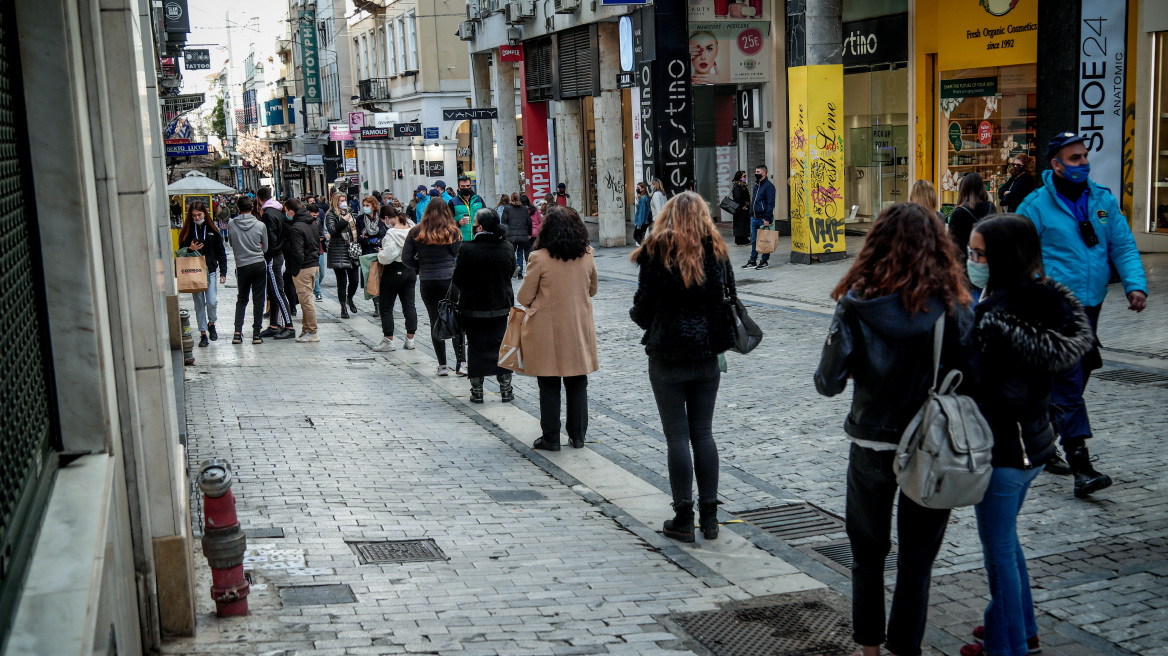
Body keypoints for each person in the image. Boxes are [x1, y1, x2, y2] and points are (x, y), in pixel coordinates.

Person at [814, 202, 975, 656]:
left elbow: (827, 383)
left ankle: (868, 649)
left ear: (876, 243)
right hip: (931, 445)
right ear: (936, 246)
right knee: (917, 561)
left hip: (870, 444)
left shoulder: (856, 303)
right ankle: (907, 649)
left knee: (867, 556)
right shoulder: (954, 305)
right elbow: (975, 379)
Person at [961, 216, 1095, 656]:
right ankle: (1020, 629)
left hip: (1004, 452)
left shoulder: (998, 316)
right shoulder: (1043, 300)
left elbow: (990, 391)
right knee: (1008, 544)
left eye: (978, 254)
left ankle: (1010, 645)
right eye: (970, 253)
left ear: (1004, 258)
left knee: (998, 555)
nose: (971, 261)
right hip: (1035, 445)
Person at [1016, 131, 1148, 497]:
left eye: (1085, 156)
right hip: (1053, 306)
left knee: (1085, 367)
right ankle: (1082, 469)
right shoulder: (1035, 206)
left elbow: (1122, 247)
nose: (1083, 164)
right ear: (1055, 164)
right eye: (1074, 158)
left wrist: (1136, 285)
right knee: (1070, 381)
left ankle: (1040, 436)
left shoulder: (1102, 201)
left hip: (1092, 304)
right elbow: (1017, 257)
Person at [630, 191, 737, 544]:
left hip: (667, 355)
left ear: (667, 215)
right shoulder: (717, 250)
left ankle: (683, 516)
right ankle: (710, 518)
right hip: (706, 354)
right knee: (703, 434)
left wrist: (647, 318)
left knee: (677, 437)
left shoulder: (656, 250)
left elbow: (642, 308)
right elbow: (727, 302)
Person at [519, 206, 599, 450]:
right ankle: (578, 436)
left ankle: (551, 437)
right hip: (578, 328)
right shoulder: (587, 254)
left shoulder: (539, 258)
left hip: (547, 331)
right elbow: (593, 289)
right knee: (577, 382)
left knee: (549, 384)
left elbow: (524, 297)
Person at [451, 209, 516, 402]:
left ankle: (477, 391)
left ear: (479, 226)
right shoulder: (506, 247)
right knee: (500, 345)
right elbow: (510, 272)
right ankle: (506, 388)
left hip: (473, 307)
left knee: (476, 346)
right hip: (500, 304)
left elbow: (458, 278)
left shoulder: (467, 249)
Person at [403, 199, 467, 376]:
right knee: (455, 319)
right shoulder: (453, 230)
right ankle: (461, 363)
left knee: (435, 320)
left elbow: (406, 258)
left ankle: (443, 365)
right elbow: (458, 255)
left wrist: (421, 265)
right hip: (449, 280)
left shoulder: (415, 231)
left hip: (428, 280)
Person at [178, 201, 227, 347]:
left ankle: (211, 322)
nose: (197, 217)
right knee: (199, 304)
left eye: (199, 214)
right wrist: (190, 248)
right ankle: (203, 333)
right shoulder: (188, 231)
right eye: (194, 216)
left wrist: (223, 271)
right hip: (194, 272)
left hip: (210, 270)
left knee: (212, 301)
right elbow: (181, 251)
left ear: (205, 213)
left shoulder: (213, 229)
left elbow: (221, 251)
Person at [373, 206, 418, 352]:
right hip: (410, 269)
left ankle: (389, 340)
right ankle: (410, 339)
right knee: (409, 305)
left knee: (386, 306)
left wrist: (380, 254)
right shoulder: (412, 226)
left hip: (394, 269)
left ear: (387, 218)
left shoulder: (392, 234)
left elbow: (387, 256)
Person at [227, 196, 268, 345]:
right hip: (257, 263)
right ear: (252, 208)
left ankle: (237, 332)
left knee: (242, 298)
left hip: (242, 265)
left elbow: (231, 243)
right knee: (258, 299)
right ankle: (256, 333)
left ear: (238, 208)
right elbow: (266, 247)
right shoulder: (260, 225)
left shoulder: (231, 224)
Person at [257, 186, 295, 340]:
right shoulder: (278, 211)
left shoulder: (268, 214)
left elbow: (271, 239)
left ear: (259, 199)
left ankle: (289, 325)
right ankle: (274, 324)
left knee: (278, 291)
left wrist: (268, 252)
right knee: (273, 291)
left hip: (273, 256)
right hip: (279, 254)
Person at [283, 198, 321, 343]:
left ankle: (312, 331)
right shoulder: (311, 222)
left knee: (306, 300)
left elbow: (298, 252)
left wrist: (295, 269)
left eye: (287, 211)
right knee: (306, 299)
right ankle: (306, 329)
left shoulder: (296, 228)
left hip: (303, 267)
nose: (286, 214)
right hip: (313, 264)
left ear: (292, 211)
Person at [948, 173, 996, 268]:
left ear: (962, 189)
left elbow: (954, 246)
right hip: (990, 262)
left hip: (967, 265)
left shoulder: (959, 213)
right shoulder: (991, 208)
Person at [326, 192, 360, 318]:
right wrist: (343, 221)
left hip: (352, 250)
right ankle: (343, 307)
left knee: (355, 280)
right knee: (342, 282)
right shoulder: (331, 215)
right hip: (338, 251)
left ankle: (349, 297)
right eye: (341, 200)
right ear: (335, 202)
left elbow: (355, 229)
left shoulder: (350, 213)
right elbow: (332, 230)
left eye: (344, 199)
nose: (343, 202)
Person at [744, 164, 776, 269]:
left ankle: (764, 261)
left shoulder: (769, 186)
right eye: (756, 171)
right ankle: (753, 260)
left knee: (765, 240)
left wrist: (767, 218)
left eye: (758, 172)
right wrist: (751, 214)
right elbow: (754, 201)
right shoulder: (756, 185)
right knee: (753, 240)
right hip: (754, 217)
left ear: (764, 173)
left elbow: (771, 203)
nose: (755, 173)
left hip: (763, 218)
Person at [502, 193, 533, 279]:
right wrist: (529, 233)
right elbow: (529, 222)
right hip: (523, 235)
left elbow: (503, 222)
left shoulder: (507, 209)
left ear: (511, 199)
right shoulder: (524, 209)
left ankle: (516, 265)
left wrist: (504, 233)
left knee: (511, 251)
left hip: (511, 235)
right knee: (520, 253)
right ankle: (520, 273)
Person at [448, 175, 485, 242]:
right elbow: (447, 223)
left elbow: (486, 217)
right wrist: (458, 223)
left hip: (478, 239)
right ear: (459, 188)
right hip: (461, 240)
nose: (466, 188)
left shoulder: (478, 199)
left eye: (468, 186)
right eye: (463, 186)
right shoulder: (453, 203)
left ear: (470, 185)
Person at [308, 203, 327, 301]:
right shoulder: (306, 223)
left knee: (322, 272)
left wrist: (323, 238)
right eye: (313, 216)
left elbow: (322, 233)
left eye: (316, 216)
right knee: (317, 273)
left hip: (320, 249)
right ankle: (318, 292)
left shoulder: (318, 222)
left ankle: (315, 287)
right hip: (311, 250)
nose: (315, 218)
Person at [730, 170, 751, 245]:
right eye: (744, 176)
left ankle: (741, 238)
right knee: (741, 224)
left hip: (742, 209)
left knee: (742, 223)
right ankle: (742, 239)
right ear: (739, 177)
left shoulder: (742, 185)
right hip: (741, 209)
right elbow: (738, 198)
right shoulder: (738, 186)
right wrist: (743, 205)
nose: (745, 178)